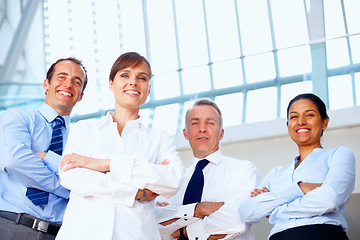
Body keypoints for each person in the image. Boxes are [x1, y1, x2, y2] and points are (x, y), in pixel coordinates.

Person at [55, 52, 185, 240]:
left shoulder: (160, 139)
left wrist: (105, 164)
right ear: (111, 84)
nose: (133, 82)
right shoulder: (84, 130)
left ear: (148, 89)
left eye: (142, 78)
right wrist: (137, 192)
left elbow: (173, 180)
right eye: (125, 75)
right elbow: (71, 176)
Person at [239, 93, 355, 240]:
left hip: (321, 235)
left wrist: (274, 209)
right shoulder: (276, 172)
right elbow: (247, 212)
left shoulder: (339, 154)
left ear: (324, 122)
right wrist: (301, 188)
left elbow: (329, 199)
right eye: (294, 117)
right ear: (288, 126)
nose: (301, 122)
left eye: (310, 115)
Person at [0, 57, 88, 240]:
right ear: (46, 84)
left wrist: (46, 157)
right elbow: (15, 160)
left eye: (76, 81)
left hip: (60, 234)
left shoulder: (83, 142)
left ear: (80, 95)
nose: (68, 84)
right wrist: (62, 186)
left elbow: (88, 187)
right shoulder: (17, 117)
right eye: (61, 77)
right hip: (10, 225)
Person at [155, 98, 259, 240]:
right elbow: (156, 222)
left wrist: (181, 229)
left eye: (210, 123)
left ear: (221, 133)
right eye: (195, 123)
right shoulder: (176, 180)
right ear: (185, 133)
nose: (202, 128)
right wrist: (201, 209)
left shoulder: (243, 170)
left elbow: (236, 220)